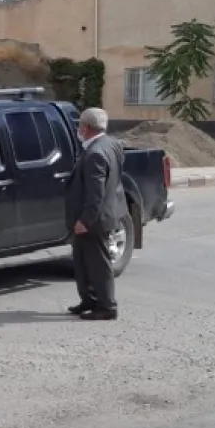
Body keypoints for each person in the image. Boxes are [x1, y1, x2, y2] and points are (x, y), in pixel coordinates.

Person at [65, 107, 128, 321]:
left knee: (98, 264)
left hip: (94, 219)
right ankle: (89, 300)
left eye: (80, 125)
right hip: (104, 213)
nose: (78, 129)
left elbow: (96, 193)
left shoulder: (95, 153)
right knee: (83, 261)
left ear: (87, 127)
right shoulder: (112, 144)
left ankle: (107, 307)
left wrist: (85, 220)